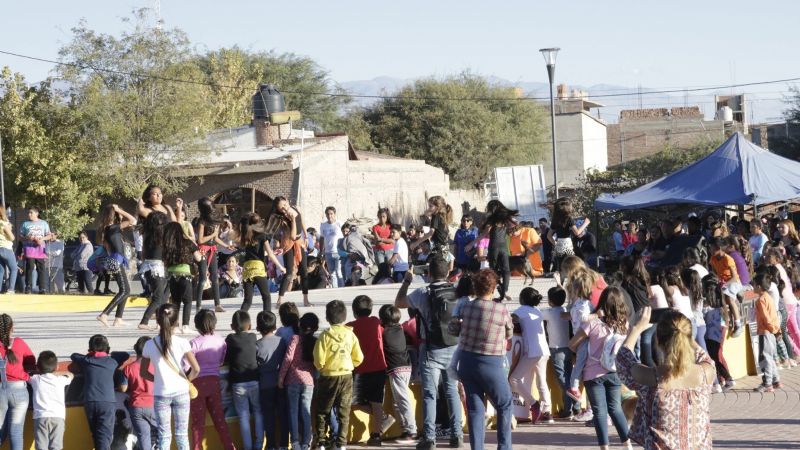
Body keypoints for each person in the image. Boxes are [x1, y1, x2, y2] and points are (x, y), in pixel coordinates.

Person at [617, 307, 714, 449]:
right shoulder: (706, 373)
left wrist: (636, 329)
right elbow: (704, 356)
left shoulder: (651, 379)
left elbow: (622, 359)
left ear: (658, 341)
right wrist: (683, 331)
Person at [394, 255, 463, 450]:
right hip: (454, 347)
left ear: (429, 273)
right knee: (452, 392)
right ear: (448, 272)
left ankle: (429, 439)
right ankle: (456, 435)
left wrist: (407, 280)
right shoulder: (457, 292)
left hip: (430, 348)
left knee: (429, 394)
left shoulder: (423, 292)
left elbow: (398, 302)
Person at [449, 269, 514, 450]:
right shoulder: (501, 309)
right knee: (504, 404)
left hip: (467, 362)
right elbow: (509, 333)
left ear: (474, 288)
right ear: (493, 289)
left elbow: (453, 330)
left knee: (475, 409)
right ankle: (504, 447)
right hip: (491, 362)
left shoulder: (465, 307)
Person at [568, 287, 632, 450]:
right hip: (614, 371)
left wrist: (583, 350)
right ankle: (628, 444)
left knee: (600, 412)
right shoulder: (624, 324)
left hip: (593, 374)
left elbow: (571, 344)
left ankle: (604, 447)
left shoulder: (592, 323)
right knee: (616, 409)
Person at [141, 303, 201, 450]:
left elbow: (143, 372)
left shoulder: (149, 344)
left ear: (157, 321)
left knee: (164, 435)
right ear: (177, 322)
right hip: (181, 392)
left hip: (161, 394)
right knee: (182, 435)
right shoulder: (182, 342)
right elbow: (196, 369)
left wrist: (159, 380)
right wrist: (187, 381)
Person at [313, 300, 364, 450]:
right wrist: (350, 365)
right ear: (344, 316)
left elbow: (318, 359)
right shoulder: (350, 335)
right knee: (344, 411)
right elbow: (359, 357)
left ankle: (322, 442)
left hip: (328, 376)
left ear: (327, 318)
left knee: (323, 410)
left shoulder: (324, 336)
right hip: (347, 376)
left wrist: (323, 368)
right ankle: (341, 444)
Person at [70, 334, 129, 450]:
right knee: (105, 435)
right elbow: (125, 354)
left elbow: (74, 355)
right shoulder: (112, 360)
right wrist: (108, 353)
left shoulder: (86, 360)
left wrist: (91, 354)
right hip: (107, 402)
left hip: (90, 401)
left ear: (90, 347)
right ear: (107, 347)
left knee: (96, 434)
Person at [189, 310, 235, 450]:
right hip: (215, 382)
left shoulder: (194, 343)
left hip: (197, 385)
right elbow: (221, 361)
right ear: (214, 323)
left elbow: (186, 365)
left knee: (198, 423)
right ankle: (230, 447)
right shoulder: (221, 340)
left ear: (197, 325)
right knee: (220, 420)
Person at [347, 295, 389, 446]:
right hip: (379, 367)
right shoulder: (376, 322)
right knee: (377, 402)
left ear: (354, 311)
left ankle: (384, 418)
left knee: (355, 401)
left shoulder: (350, 326)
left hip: (361, 370)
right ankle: (376, 435)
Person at [510, 287, 553, 424]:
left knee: (514, 379)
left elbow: (509, 320)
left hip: (532, 351)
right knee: (542, 381)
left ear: (522, 299)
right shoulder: (537, 311)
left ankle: (533, 404)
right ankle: (547, 412)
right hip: (544, 350)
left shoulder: (521, 311)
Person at [540, 286, 582, 419]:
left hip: (557, 349)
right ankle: (574, 408)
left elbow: (536, 314)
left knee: (563, 381)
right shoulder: (565, 310)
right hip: (569, 347)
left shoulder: (549, 312)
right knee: (569, 378)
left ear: (550, 301)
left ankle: (571, 408)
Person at [278, 312, 318, 450]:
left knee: (293, 412)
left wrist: (281, 378)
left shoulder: (295, 339)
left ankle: (295, 442)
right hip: (309, 382)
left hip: (292, 381)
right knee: (306, 411)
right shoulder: (315, 342)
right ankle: (306, 442)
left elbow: (287, 359)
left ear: (300, 325)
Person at [379, 305, 417, 444]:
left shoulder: (383, 332)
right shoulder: (401, 329)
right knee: (397, 402)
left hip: (396, 370)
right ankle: (405, 430)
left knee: (402, 400)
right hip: (407, 367)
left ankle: (411, 431)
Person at [226, 310, 263, 450]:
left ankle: (247, 447)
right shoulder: (253, 336)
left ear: (231, 326)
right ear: (250, 325)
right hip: (254, 380)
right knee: (259, 411)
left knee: (243, 416)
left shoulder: (230, 338)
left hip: (238, 384)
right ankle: (258, 445)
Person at [96, 204, 137, 327]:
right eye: (118, 213)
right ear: (113, 215)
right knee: (125, 290)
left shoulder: (109, 228)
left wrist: (119, 211)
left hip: (114, 260)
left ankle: (118, 318)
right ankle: (104, 314)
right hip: (116, 260)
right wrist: (119, 210)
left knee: (124, 289)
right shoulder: (113, 227)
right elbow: (133, 220)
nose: (120, 214)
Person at [267, 197, 310, 307]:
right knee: (289, 273)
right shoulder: (283, 218)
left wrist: (306, 235)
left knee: (304, 271)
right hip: (289, 243)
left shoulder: (296, 208)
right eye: (281, 208)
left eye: (285, 205)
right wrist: (293, 220)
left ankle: (306, 299)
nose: (284, 209)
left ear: (287, 201)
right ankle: (279, 300)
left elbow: (303, 221)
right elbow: (292, 236)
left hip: (300, 241)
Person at [0, 314, 35, 450]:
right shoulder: (19, 343)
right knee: (16, 432)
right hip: (19, 390)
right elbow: (32, 361)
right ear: (12, 328)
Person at [238, 213, 285, 312]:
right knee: (266, 296)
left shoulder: (245, 236)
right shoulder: (262, 236)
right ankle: (267, 318)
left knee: (247, 300)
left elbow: (255, 251)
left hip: (247, 268)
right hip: (258, 267)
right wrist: (281, 267)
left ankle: (240, 320)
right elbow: (271, 254)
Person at [256, 311, 289, 450]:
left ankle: (270, 445)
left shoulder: (257, 345)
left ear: (258, 327)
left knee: (268, 416)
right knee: (283, 414)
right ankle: (283, 443)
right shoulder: (282, 341)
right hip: (281, 383)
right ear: (275, 326)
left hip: (265, 386)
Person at [194, 197, 233, 313]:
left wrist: (226, 246)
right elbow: (200, 240)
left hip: (213, 249)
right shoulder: (202, 221)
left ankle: (217, 304)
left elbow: (216, 238)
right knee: (202, 278)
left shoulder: (214, 220)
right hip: (203, 250)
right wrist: (213, 235)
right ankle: (198, 306)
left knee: (215, 277)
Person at [162, 222, 201, 332]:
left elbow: (164, 262)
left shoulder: (167, 246)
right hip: (185, 275)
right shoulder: (187, 243)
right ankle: (185, 326)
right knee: (188, 301)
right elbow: (198, 258)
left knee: (175, 302)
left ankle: (174, 325)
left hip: (172, 277)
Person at [30, 350, 73, 450]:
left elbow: (27, 377)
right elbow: (71, 375)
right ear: (57, 367)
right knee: (56, 446)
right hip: (58, 417)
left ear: (37, 367)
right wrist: (59, 373)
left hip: (40, 417)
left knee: (41, 446)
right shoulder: (60, 380)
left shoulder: (36, 379)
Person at [118, 337, 156, 450]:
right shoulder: (157, 366)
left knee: (144, 438)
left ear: (136, 350)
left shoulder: (129, 368)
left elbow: (123, 389)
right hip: (155, 406)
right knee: (163, 435)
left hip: (136, 406)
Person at [702, 274, 734, 391]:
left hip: (713, 332)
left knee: (716, 356)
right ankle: (722, 379)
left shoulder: (707, 306)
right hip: (720, 329)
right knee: (717, 355)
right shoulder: (720, 303)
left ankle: (728, 378)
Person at [481, 200, 518, 300]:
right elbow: (513, 230)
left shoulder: (491, 219)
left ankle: (495, 290)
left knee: (493, 270)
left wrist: (472, 243)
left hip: (493, 247)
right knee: (506, 270)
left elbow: (485, 233)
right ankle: (504, 290)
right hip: (503, 247)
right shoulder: (505, 219)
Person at [708, 238, 744, 337]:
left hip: (734, 282)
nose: (710, 250)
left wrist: (725, 284)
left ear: (719, 248)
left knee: (729, 297)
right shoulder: (713, 259)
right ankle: (725, 321)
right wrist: (718, 281)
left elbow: (734, 277)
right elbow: (715, 273)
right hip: (723, 283)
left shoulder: (728, 259)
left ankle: (738, 324)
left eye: (711, 248)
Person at [752, 273, 782, 392]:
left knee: (765, 359)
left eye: (754, 285)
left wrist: (773, 329)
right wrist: (776, 329)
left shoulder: (760, 300)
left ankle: (767, 383)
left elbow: (766, 318)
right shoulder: (768, 297)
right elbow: (773, 315)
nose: (752, 286)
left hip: (765, 331)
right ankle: (776, 380)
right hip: (772, 330)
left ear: (759, 286)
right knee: (770, 357)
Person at [547, 198, 589, 272]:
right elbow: (577, 232)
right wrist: (585, 223)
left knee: (560, 266)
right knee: (572, 264)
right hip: (567, 244)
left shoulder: (555, 219)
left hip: (559, 243)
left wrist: (555, 244)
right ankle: (572, 280)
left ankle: (560, 282)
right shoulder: (569, 219)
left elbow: (549, 236)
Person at [20, 206, 53, 294]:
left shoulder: (43, 223)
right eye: (29, 213)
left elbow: (49, 235)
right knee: (29, 268)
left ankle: (42, 288)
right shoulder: (25, 224)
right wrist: (28, 237)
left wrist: (42, 239)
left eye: (31, 212)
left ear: (36, 214)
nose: (29, 214)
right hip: (29, 249)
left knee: (41, 269)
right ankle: (28, 287)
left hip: (40, 249)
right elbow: (21, 236)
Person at [319, 206, 345, 288]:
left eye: (331, 214)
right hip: (328, 252)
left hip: (338, 252)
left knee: (338, 271)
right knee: (332, 273)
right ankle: (335, 290)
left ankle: (342, 288)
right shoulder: (323, 225)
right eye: (327, 214)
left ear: (334, 214)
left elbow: (345, 235)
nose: (329, 216)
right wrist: (321, 250)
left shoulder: (339, 224)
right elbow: (322, 238)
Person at [0, 207, 15, 294]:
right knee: (13, 269)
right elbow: (12, 237)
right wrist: (10, 229)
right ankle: (11, 289)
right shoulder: (4, 224)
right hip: (6, 248)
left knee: (0, 271)